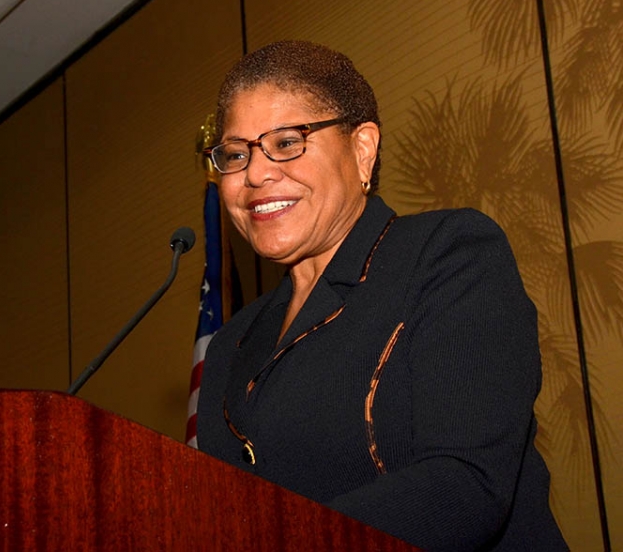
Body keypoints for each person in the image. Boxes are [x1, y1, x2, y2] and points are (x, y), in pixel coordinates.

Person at [196, 40, 567, 551]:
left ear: (362, 149)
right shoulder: (230, 345)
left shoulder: (447, 254)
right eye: (236, 154)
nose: (256, 173)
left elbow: (466, 484)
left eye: (286, 142)